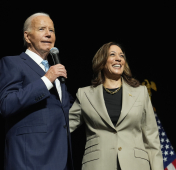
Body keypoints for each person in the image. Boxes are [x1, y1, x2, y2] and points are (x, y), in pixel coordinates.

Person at [0, 13, 74, 170]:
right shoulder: (13, 63)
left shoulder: (55, 73)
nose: (48, 34)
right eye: (41, 29)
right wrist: (46, 80)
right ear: (27, 36)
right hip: (30, 160)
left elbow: (70, 110)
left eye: (51, 30)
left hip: (60, 159)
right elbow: (6, 104)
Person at [69, 42, 163, 170]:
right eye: (112, 54)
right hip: (98, 165)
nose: (118, 58)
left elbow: (152, 138)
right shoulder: (84, 94)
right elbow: (64, 127)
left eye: (121, 56)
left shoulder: (141, 92)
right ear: (101, 62)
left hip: (136, 165)